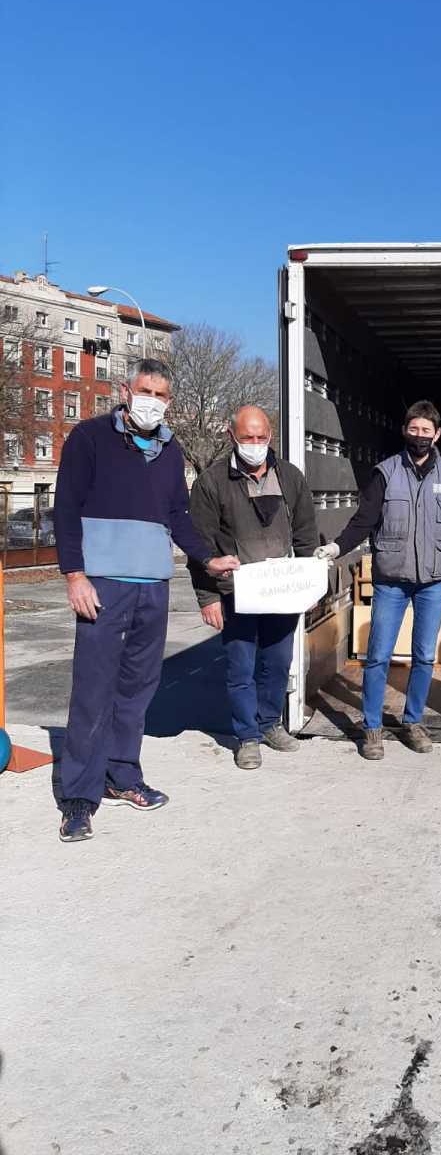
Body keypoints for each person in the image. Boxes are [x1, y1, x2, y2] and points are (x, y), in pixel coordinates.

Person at [53, 359, 240, 843]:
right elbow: (66, 509)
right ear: (125, 390)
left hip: (153, 586)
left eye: (160, 394)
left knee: (137, 690)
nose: (151, 401)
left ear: (169, 400)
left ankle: (122, 776)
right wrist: (75, 575)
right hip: (103, 584)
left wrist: (207, 559)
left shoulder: (170, 449)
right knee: (94, 690)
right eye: (144, 390)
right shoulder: (90, 438)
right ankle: (79, 797)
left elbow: (178, 515)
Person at [315, 400, 441, 760]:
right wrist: (337, 547)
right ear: (404, 431)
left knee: (424, 655)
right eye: (413, 429)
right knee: (378, 655)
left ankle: (413, 722)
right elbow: (364, 519)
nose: (419, 436)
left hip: (434, 580)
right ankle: (372, 726)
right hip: (391, 580)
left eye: (426, 430)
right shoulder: (385, 472)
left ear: (437, 434)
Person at [188, 406, 318, 770]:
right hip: (236, 593)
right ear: (232, 436)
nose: (255, 444)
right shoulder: (211, 482)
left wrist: (309, 586)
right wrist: (208, 597)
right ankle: (247, 736)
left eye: (261, 437)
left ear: (271, 435)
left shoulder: (289, 477)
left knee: (277, 663)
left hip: (282, 592)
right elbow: (199, 545)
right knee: (240, 668)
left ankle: (269, 723)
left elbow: (306, 534)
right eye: (247, 437)